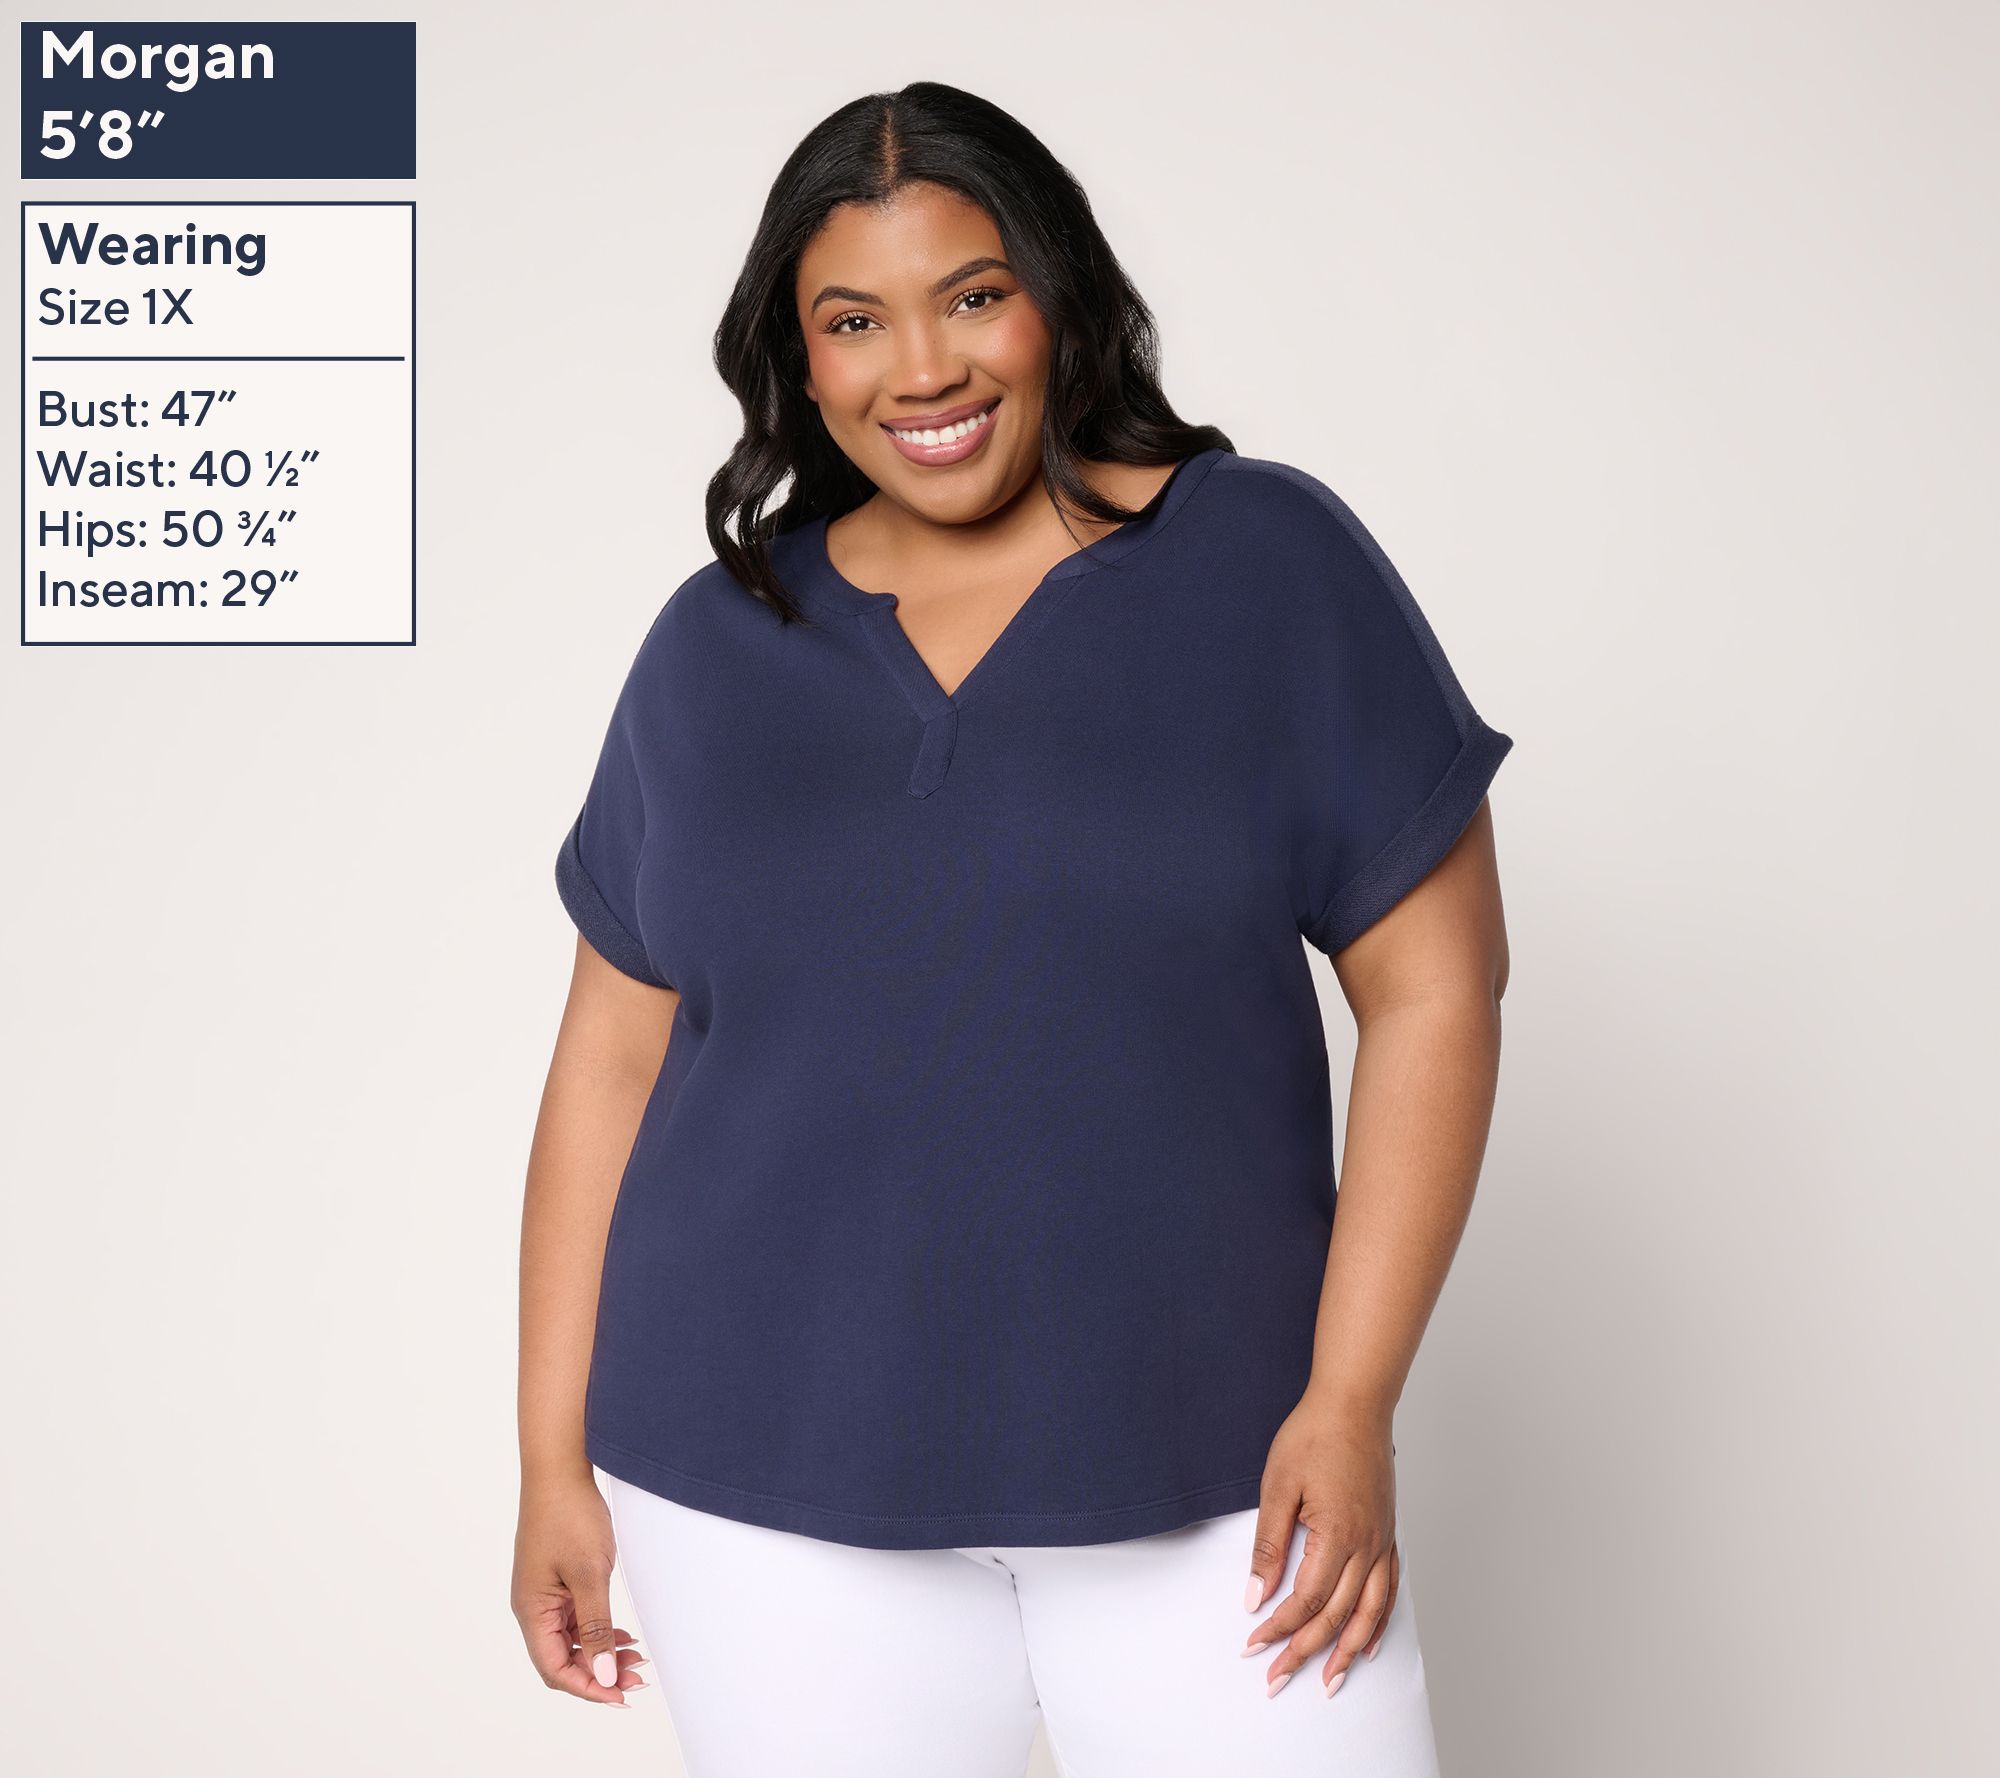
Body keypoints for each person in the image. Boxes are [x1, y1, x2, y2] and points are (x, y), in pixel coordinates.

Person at [512, 81, 1512, 1778]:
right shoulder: (718, 641)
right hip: (764, 1487)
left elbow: (1437, 986)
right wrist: (551, 1460)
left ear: (1058, 292)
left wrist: (1350, 1401)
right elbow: (610, 1057)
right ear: (800, 357)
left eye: (972, 295)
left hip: (1225, 1468)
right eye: (854, 320)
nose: (923, 368)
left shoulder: (1264, 561)